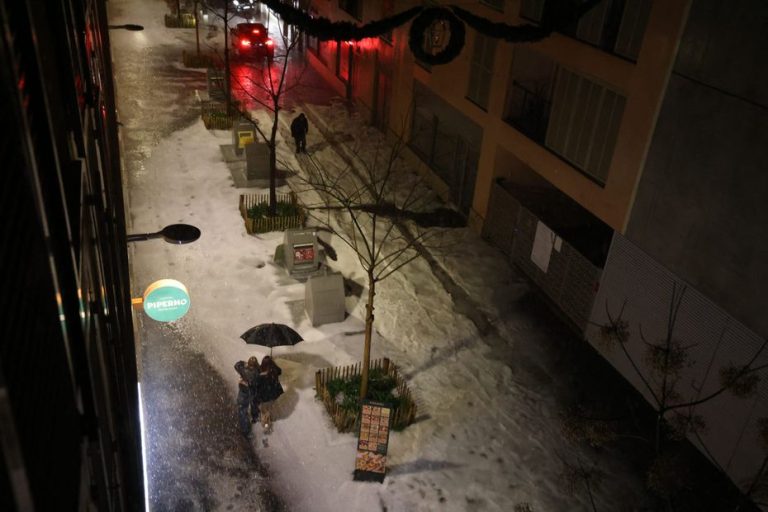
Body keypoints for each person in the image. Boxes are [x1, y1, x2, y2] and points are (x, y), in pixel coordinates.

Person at [257, 355, 284, 432]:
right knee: (268, 409)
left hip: (264, 397)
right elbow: (280, 371)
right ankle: (267, 421)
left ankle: (266, 425)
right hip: (273, 396)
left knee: (264, 412)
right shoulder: (274, 371)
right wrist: (273, 364)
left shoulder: (261, 374)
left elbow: (257, 385)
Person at [235, 357, 261, 424]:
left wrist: (243, 362)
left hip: (244, 390)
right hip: (253, 391)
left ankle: (245, 427)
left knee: (242, 408)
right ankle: (255, 418)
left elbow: (236, 365)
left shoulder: (243, 369)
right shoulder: (258, 371)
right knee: (254, 404)